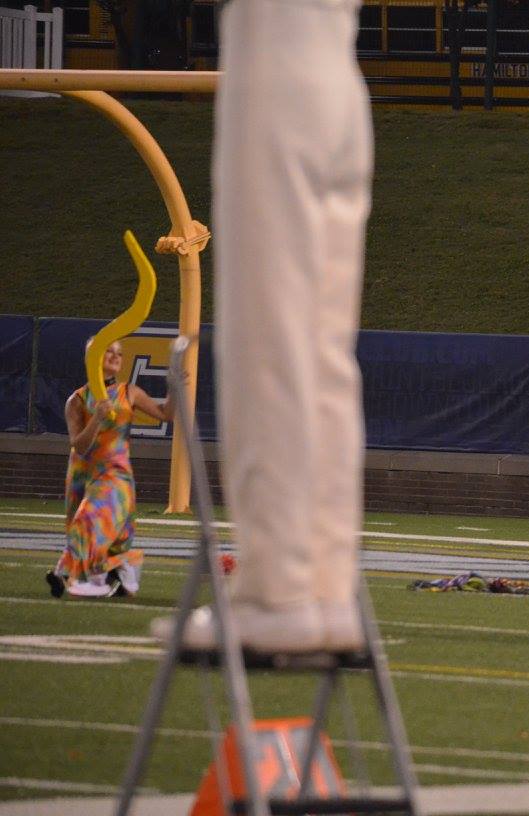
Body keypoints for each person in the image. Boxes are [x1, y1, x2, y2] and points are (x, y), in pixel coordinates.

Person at [153, 0, 373, 652]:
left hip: (279, 58)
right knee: (324, 356)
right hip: (336, 67)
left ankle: (277, 591)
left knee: (269, 344)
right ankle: (327, 587)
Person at [47, 339, 177, 599]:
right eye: (109, 351)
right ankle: (116, 573)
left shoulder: (129, 391)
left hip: (115, 473)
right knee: (85, 528)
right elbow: (79, 446)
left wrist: (175, 387)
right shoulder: (77, 400)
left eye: (119, 353)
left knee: (91, 519)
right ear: (92, 357)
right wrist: (97, 416)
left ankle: (81, 577)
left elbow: (166, 414)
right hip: (82, 474)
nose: (116, 356)